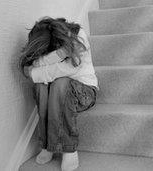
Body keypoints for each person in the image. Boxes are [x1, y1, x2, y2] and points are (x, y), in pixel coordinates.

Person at [19, 17, 99, 171]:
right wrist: (45, 61)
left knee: (61, 82)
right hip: (57, 94)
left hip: (85, 92)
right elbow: (35, 66)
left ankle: (68, 148)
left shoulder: (78, 36)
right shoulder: (53, 42)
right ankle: (47, 145)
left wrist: (36, 70)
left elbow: (68, 69)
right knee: (41, 87)